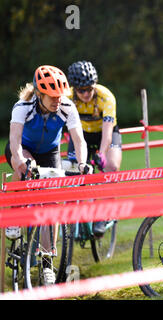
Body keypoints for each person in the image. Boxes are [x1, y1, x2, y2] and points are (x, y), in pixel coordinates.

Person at [5, 65, 92, 285]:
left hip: (50, 153)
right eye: (51, 96)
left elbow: (79, 139)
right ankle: (14, 217)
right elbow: (14, 142)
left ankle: (46, 261)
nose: (57, 100)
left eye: (59, 95)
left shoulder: (67, 107)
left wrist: (82, 163)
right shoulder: (22, 106)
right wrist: (21, 162)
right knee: (22, 166)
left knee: (51, 202)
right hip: (23, 148)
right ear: (38, 93)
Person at [66, 60, 122, 236]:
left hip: (105, 134)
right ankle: (78, 215)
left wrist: (102, 153)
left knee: (110, 166)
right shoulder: (66, 98)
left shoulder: (106, 97)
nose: (86, 93)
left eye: (90, 88)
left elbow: (107, 133)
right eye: (81, 90)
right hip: (81, 135)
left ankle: (103, 215)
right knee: (73, 170)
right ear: (74, 88)